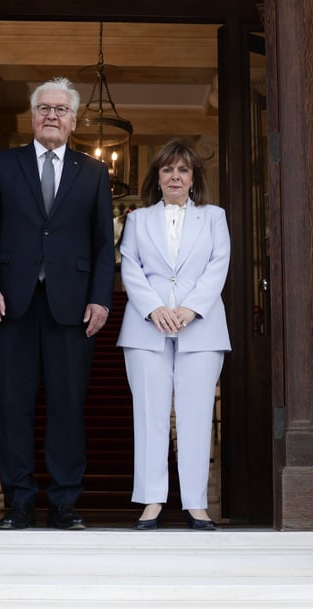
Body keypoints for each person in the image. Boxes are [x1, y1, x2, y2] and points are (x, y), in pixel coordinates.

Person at [0, 77, 115, 530]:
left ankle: (64, 503)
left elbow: (102, 247)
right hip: (10, 305)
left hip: (71, 308)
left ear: (73, 121)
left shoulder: (92, 173)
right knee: (14, 404)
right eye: (44, 108)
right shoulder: (3, 165)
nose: (51, 115)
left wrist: (100, 299)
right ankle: (19, 502)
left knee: (68, 405)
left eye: (60, 109)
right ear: (33, 118)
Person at [115, 138, 231, 530]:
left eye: (183, 170)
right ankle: (151, 501)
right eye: (168, 170)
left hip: (201, 325)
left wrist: (189, 309)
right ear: (158, 178)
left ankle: (196, 503)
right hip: (146, 327)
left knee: (197, 414)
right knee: (149, 413)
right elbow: (130, 267)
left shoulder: (214, 217)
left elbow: (219, 265)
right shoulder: (137, 219)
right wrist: (154, 309)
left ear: (194, 177)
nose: (175, 176)